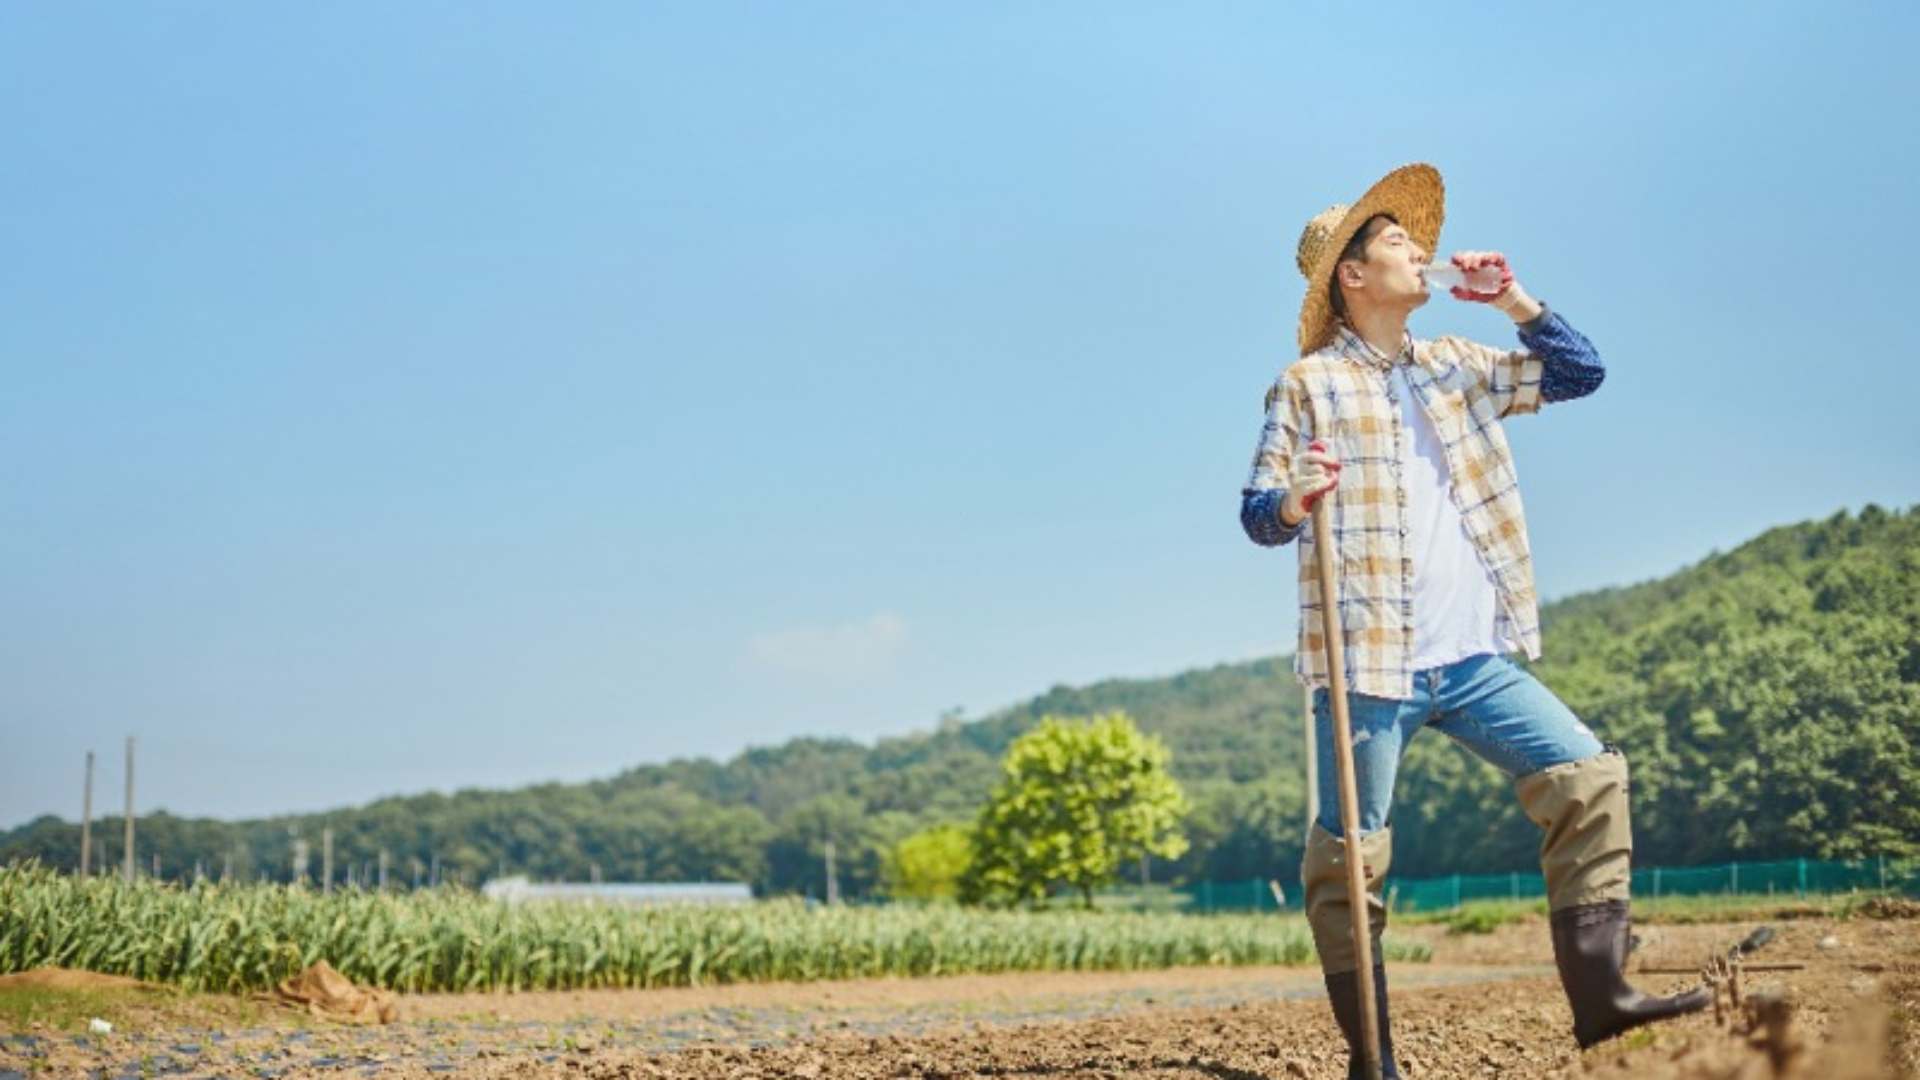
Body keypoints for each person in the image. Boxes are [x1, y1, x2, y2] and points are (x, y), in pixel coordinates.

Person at [1239, 163, 1708, 1076]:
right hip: (1369, 665)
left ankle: (1604, 999)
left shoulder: (1457, 363)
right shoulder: (1307, 386)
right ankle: (1372, 1060)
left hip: (1474, 661)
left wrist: (1516, 301)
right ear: (1354, 276)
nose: (1423, 256)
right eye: (1400, 247)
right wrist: (1295, 499)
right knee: (1349, 861)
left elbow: (1581, 372)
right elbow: (1257, 512)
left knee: (1588, 776)